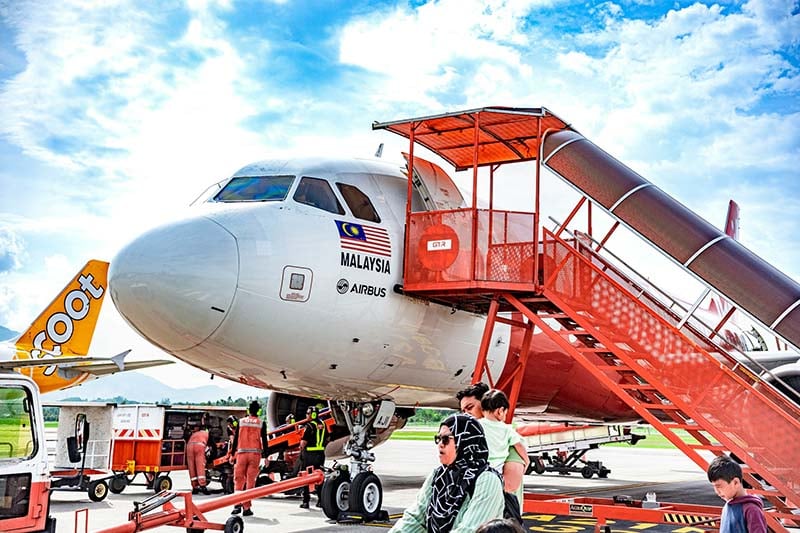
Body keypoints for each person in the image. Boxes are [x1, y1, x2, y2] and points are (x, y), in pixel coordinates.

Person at [389, 413, 504, 532]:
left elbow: (470, 529)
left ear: (465, 441)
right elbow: (415, 518)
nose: (440, 444)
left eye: (445, 439)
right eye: (438, 439)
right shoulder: (439, 475)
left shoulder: (487, 480)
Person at [456, 383, 527, 507]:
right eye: (463, 411)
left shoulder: (511, 442)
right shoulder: (470, 440)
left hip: (501, 516)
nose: (466, 415)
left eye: (470, 407)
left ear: (485, 403)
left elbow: (509, 485)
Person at [480, 389, 529, 507]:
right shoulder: (506, 429)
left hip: (480, 471)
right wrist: (527, 460)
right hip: (496, 474)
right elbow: (519, 445)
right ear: (500, 411)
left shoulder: (477, 424)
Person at [707, 455, 766, 533]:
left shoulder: (752, 510)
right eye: (714, 487)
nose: (717, 492)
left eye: (719, 486)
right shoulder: (728, 505)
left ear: (736, 482)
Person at [230, 401, 268, 517]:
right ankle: (246, 508)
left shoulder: (241, 422)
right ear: (259, 411)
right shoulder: (261, 423)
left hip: (241, 454)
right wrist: (266, 456)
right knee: (250, 481)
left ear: (248, 410)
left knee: (238, 479)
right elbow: (265, 442)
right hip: (255, 455)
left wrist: (232, 454)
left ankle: (237, 505)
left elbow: (235, 439)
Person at [299, 405, 328, 509]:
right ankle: (320, 500)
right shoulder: (323, 424)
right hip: (320, 455)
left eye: (308, 413)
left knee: (306, 478)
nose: (306, 415)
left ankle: (305, 501)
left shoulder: (309, 426)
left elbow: (303, 443)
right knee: (319, 477)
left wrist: (301, 449)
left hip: (309, 455)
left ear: (313, 414)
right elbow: (327, 438)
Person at [186, 415, 210, 495]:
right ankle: (203, 486)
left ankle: (195, 487)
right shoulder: (207, 434)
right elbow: (213, 446)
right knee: (200, 465)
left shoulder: (194, 434)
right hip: (199, 446)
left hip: (189, 446)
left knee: (192, 467)